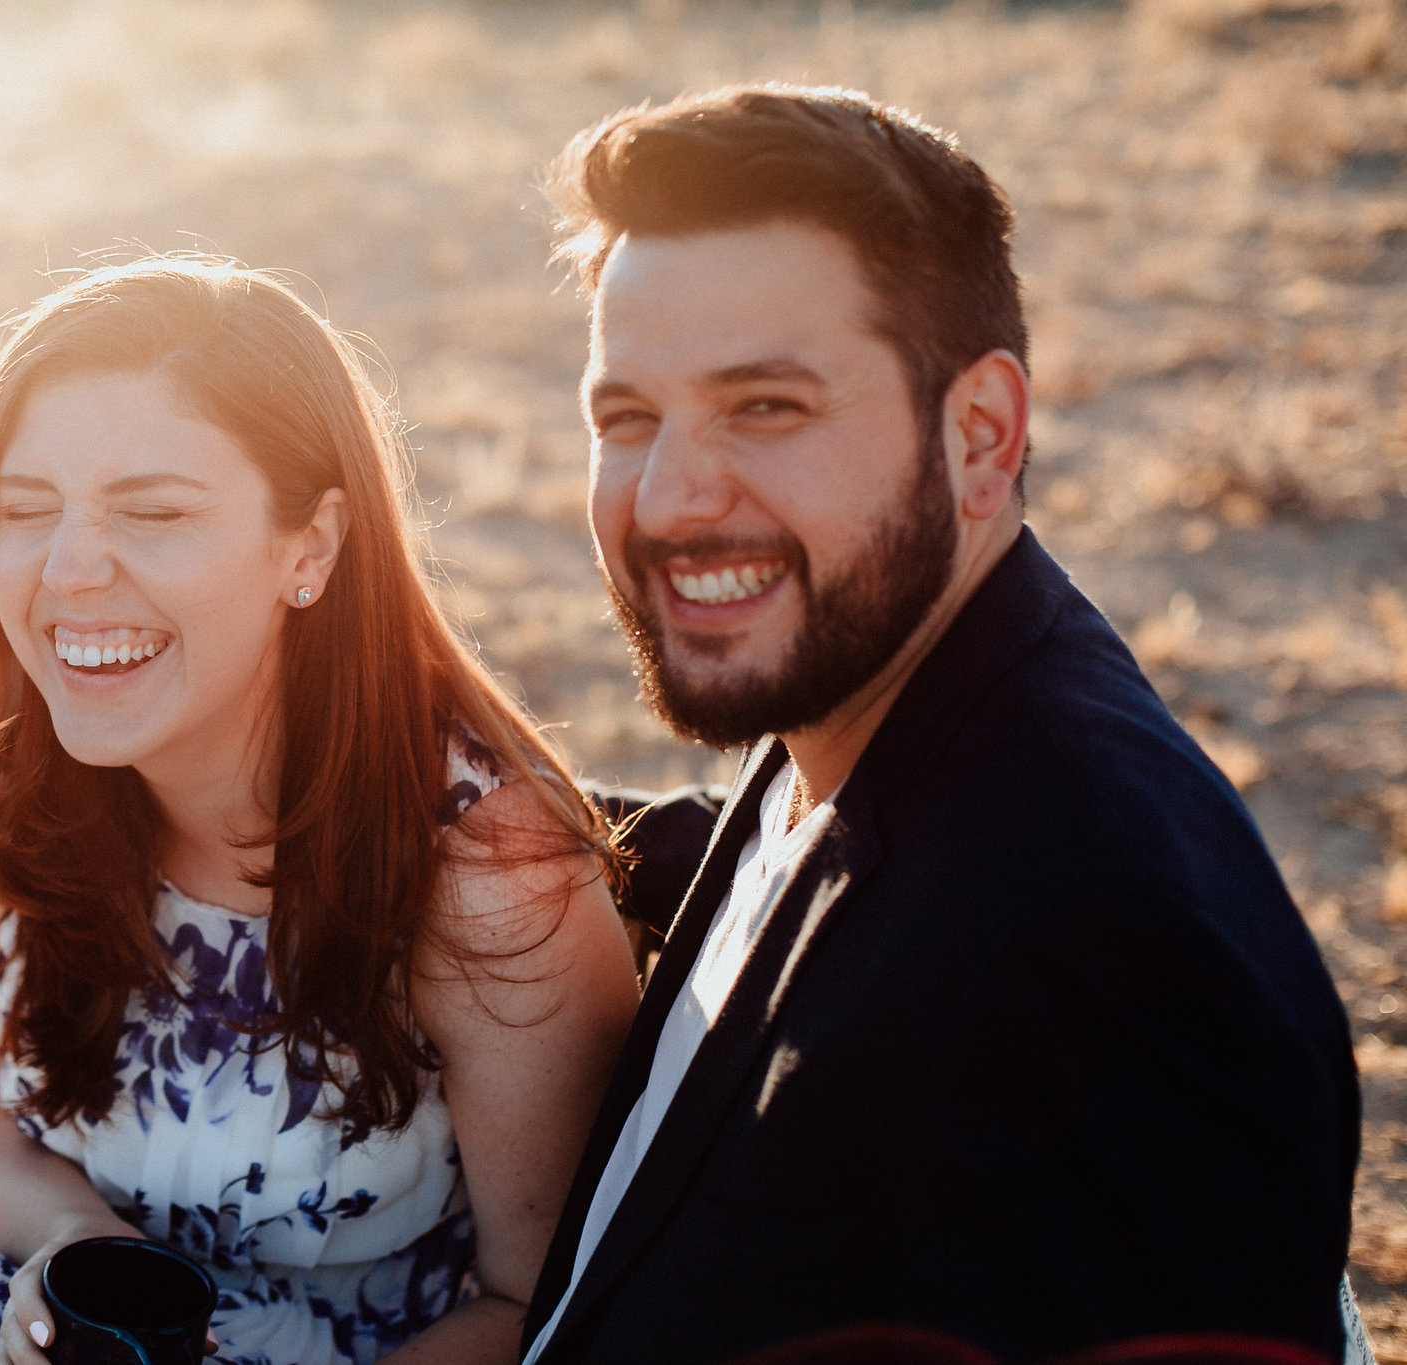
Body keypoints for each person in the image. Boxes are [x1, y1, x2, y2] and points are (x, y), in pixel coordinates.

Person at [0, 259, 639, 1365]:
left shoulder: (485, 870)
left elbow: (543, 1300)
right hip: (15, 1274)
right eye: (25, 511)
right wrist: (72, 1244)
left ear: (310, 546)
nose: (66, 572)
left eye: (151, 512)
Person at [518, 86, 1362, 1365]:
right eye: (626, 417)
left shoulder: (1101, 973)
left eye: (765, 407)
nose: (671, 496)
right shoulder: (860, 681)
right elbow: (816, 910)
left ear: (979, 434)